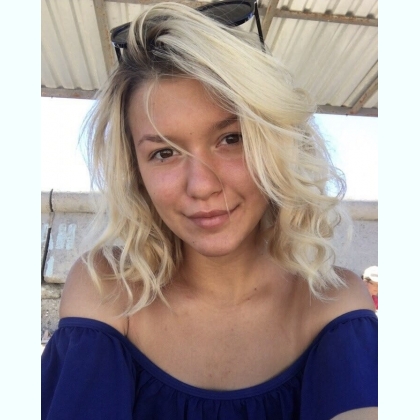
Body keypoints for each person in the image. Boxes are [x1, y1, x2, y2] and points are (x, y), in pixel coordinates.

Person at [41, 3, 378, 419]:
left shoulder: (333, 303)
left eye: (231, 138)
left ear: (277, 142)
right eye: (164, 152)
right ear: (136, 171)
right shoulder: (108, 289)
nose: (201, 185)